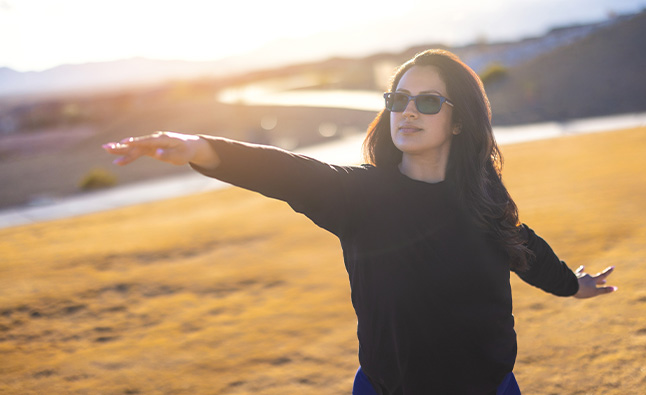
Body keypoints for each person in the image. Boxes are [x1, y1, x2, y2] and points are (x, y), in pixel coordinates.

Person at [103, 49, 616, 395]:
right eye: (398, 100)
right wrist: (202, 148)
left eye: (427, 102)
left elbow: (521, 247)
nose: (407, 112)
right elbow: (284, 172)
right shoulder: (359, 196)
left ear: (459, 121)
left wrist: (572, 284)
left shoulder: (481, 195)